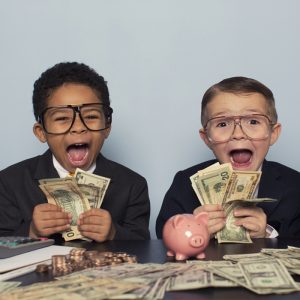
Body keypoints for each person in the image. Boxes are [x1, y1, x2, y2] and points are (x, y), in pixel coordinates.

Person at [0, 62, 150, 241]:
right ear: (41, 132)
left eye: (91, 116)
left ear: (107, 127)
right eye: (62, 118)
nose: (78, 127)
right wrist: (31, 231)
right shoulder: (9, 183)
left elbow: (144, 247)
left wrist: (113, 233)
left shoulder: (133, 185)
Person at [156, 76, 300, 239]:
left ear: (273, 133)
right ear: (206, 138)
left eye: (253, 121)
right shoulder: (185, 183)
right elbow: (162, 236)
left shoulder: (296, 186)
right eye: (223, 124)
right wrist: (192, 229)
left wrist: (268, 235)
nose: (238, 134)